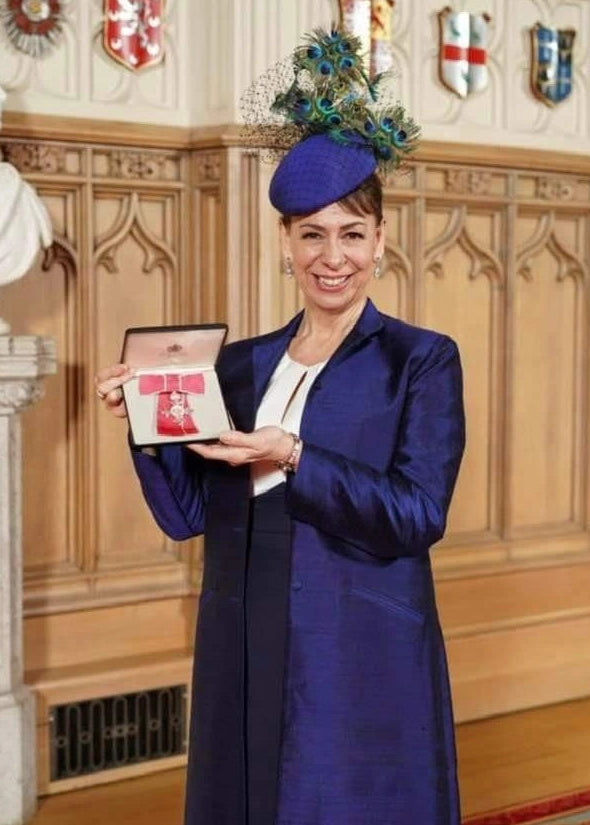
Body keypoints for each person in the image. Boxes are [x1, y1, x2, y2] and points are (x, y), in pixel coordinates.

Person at [95, 28, 466, 825]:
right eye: (312, 235)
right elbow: (186, 514)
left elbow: (417, 514)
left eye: (352, 234)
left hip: (357, 647)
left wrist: (294, 453)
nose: (333, 257)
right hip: (243, 636)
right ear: (285, 243)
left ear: (381, 240)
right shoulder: (240, 365)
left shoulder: (421, 360)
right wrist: (146, 424)